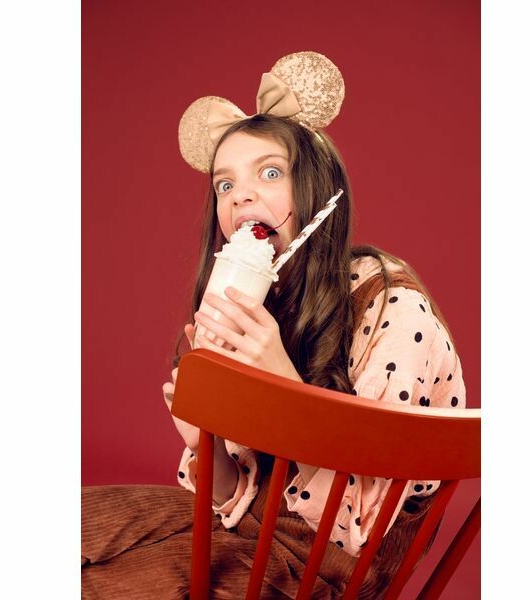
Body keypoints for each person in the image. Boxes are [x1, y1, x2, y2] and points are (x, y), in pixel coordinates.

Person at [82, 51, 467, 599]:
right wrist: (207, 443)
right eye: (224, 185)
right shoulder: (269, 304)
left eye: (269, 172)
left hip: (327, 573)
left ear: (320, 192)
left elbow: (356, 530)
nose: (240, 194)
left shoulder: (393, 308)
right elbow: (233, 504)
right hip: (247, 536)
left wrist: (283, 382)